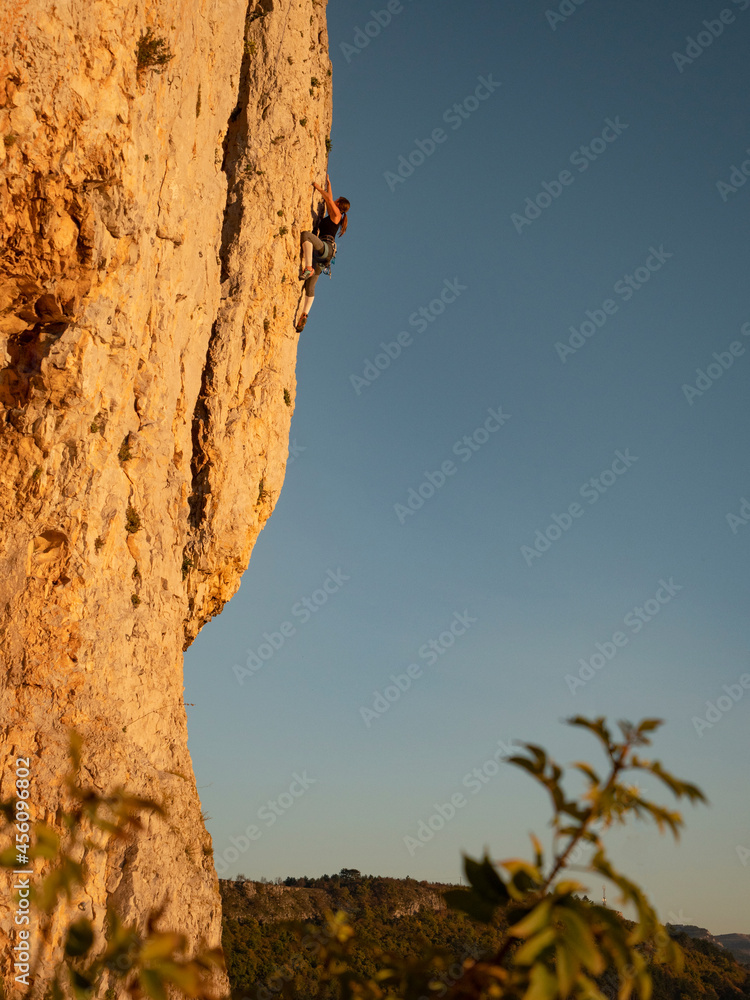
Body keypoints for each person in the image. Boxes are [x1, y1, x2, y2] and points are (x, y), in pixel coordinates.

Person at [297, 175, 349, 332]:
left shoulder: (337, 215)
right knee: (310, 286)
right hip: (324, 257)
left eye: (337, 200)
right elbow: (330, 198)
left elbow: (328, 199)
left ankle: (308, 267)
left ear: (339, 204)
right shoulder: (337, 215)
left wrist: (318, 187)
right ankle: (304, 315)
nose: (334, 200)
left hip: (325, 247)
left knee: (306, 235)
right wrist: (329, 184)